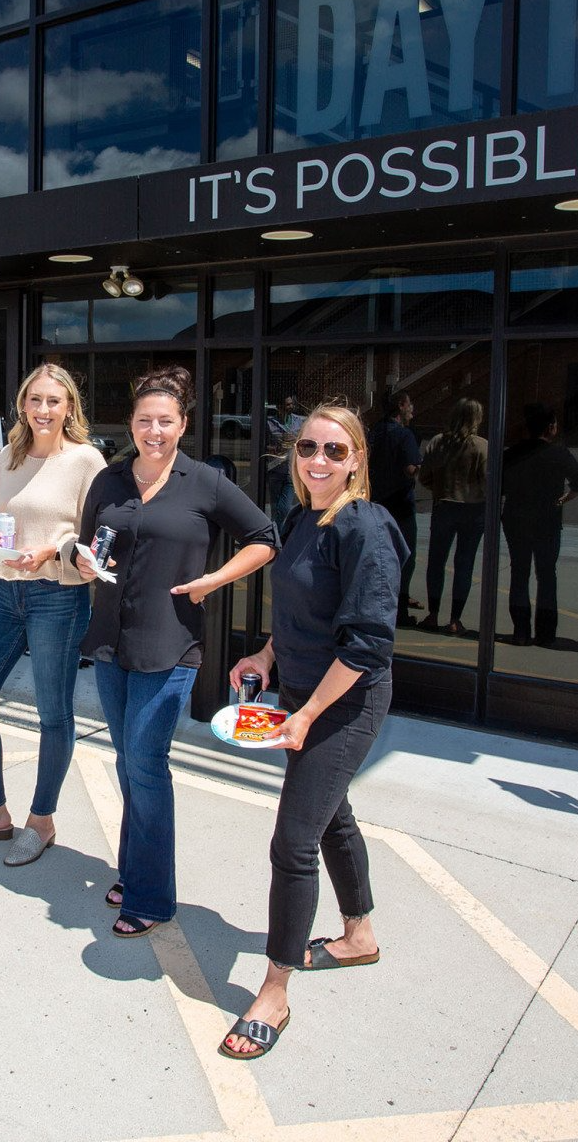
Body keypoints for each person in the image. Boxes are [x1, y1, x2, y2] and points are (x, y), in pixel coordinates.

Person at [222, 404, 407, 1060]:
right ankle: (359, 936)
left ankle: (274, 991)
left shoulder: (366, 529)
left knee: (293, 842)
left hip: (346, 703)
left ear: (356, 459)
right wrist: (266, 657)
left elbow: (366, 645)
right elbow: (304, 615)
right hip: (303, 693)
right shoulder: (303, 518)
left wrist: (306, 714)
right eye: (308, 448)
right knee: (332, 815)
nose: (318, 461)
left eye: (334, 450)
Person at [73, 365, 277, 937]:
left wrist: (214, 579)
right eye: (145, 421)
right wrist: (83, 562)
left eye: (165, 421)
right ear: (131, 424)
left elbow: (265, 539)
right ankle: (135, 869)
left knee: (145, 762)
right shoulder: (109, 480)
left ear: (183, 424)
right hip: (111, 640)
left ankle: (152, 898)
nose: (154, 432)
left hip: (170, 642)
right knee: (127, 760)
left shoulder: (204, 482)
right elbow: (88, 546)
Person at [0, 364, 104, 866]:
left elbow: (97, 533)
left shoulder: (85, 460)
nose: (43, 409)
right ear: (23, 404)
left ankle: (41, 821)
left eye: (54, 400)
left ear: (69, 406)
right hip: (5, 592)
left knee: (53, 714)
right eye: (35, 399)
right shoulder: (12, 453)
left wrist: (51, 550)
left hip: (57, 594)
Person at [500, 403, 578, 647]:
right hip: (547, 519)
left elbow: (501, 486)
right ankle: (546, 633)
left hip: (517, 517)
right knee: (547, 574)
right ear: (550, 427)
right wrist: (563, 499)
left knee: (519, 572)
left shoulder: (513, 453)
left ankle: (520, 630)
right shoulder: (559, 453)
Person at [415, 399, 488, 635]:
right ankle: (455, 618)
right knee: (464, 563)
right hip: (473, 508)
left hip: (444, 505)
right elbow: (487, 481)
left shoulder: (438, 442)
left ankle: (433, 613)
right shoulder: (481, 446)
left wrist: (440, 487)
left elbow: (425, 476)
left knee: (436, 561)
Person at [366, 388, 421, 625]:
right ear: (401, 406)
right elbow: (410, 468)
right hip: (400, 506)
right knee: (404, 557)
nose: (412, 409)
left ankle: (376, 604)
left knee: (378, 557)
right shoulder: (404, 435)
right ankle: (399, 609)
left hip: (376, 503)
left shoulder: (375, 432)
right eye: (410, 404)